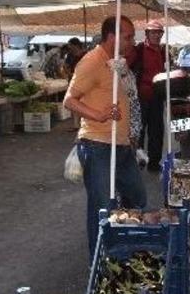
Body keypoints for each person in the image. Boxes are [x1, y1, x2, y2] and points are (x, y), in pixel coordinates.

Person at [63, 15, 146, 257]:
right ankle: (99, 261)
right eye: (128, 37)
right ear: (112, 37)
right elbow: (69, 100)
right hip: (97, 145)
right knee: (102, 207)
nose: (132, 42)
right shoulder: (91, 61)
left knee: (137, 197)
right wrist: (98, 115)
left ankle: (122, 249)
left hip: (121, 145)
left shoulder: (116, 62)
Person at [128, 20, 167, 172]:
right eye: (153, 32)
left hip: (157, 97)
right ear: (147, 34)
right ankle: (137, 160)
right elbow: (126, 66)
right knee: (138, 131)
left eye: (159, 32)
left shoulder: (163, 51)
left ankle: (154, 163)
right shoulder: (139, 50)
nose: (157, 35)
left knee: (157, 131)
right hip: (140, 97)